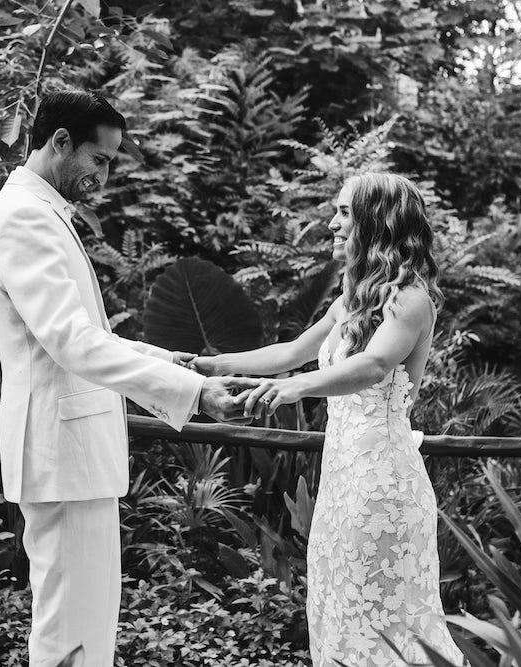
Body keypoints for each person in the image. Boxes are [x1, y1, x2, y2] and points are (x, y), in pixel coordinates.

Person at [0, 90, 255, 667]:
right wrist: (196, 392)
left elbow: (85, 332)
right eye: (99, 159)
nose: (105, 174)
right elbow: (71, 343)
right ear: (59, 144)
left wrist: (166, 362)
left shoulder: (40, 210)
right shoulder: (24, 217)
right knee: (70, 633)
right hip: (62, 455)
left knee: (86, 625)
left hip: (73, 457)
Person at [191, 173, 464, 666]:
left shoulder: (410, 298)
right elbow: (293, 351)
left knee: (389, 622)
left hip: (383, 486)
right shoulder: (353, 299)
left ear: (376, 221)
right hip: (342, 485)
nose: (333, 223)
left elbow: (375, 365)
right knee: (339, 611)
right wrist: (214, 365)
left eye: (344, 212)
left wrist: (298, 387)